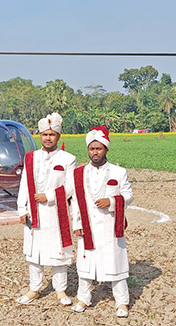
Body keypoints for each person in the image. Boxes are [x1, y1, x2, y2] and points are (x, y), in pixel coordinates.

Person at [70, 126, 134, 318]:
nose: (95, 152)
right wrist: (77, 224)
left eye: (99, 148)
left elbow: (128, 195)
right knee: (86, 262)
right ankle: (83, 298)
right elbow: (74, 200)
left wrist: (112, 201)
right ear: (88, 150)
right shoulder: (78, 173)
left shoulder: (118, 171)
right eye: (92, 149)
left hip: (110, 225)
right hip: (87, 225)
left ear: (106, 149)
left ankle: (122, 302)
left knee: (115, 262)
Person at [16, 112, 77, 306]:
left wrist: (49, 196)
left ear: (58, 136)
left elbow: (70, 186)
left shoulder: (68, 159)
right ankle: (34, 288)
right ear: (39, 136)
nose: (48, 138)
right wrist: (21, 209)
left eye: (52, 134)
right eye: (44, 134)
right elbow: (24, 183)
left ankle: (60, 290)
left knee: (58, 252)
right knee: (34, 253)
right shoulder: (30, 158)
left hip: (56, 213)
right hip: (33, 212)